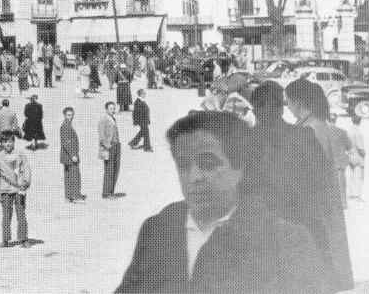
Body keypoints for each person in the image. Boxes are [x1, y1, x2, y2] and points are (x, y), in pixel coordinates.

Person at [115, 111, 329, 293]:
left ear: (240, 169)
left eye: (208, 164)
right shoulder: (158, 229)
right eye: (183, 165)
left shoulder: (286, 241)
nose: (194, 177)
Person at [250, 81, 353, 293]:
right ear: (280, 106)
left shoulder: (244, 141)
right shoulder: (307, 132)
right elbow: (323, 182)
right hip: (307, 226)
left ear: (254, 109)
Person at [0, 132, 31, 248]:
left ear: (14, 142)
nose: (8, 144)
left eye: (10, 141)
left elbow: (26, 168)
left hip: (19, 189)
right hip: (5, 190)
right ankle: (5, 240)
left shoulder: (20, 154)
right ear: (2, 143)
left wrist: (26, 182)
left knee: (21, 214)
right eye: (5, 142)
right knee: (6, 215)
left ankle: (23, 239)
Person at [98, 102, 124, 199]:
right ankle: (106, 193)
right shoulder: (104, 119)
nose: (113, 110)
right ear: (106, 109)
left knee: (115, 170)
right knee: (109, 170)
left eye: (113, 108)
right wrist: (107, 146)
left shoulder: (113, 118)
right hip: (109, 147)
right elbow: (101, 135)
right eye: (111, 108)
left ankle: (111, 192)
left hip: (116, 145)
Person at [60, 107, 86, 203]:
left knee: (68, 176)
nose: (70, 117)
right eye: (68, 115)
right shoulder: (65, 126)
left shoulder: (67, 125)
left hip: (66, 156)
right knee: (74, 175)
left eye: (71, 115)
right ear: (64, 115)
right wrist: (73, 155)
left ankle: (68, 196)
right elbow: (66, 142)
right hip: (70, 156)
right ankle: (75, 196)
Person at [346, 114, 366, 200]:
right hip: (358, 157)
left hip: (350, 155)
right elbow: (360, 147)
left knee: (351, 176)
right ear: (360, 121)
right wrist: (364, 154)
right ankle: (357, 194)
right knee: (358, 176)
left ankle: (351, 193)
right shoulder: (358, 132)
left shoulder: (348, 131)